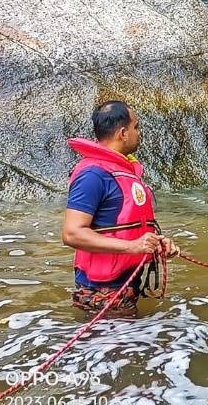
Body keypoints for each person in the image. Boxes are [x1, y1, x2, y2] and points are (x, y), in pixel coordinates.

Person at [62, 100, 179, 316]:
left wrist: (155, 244)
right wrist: (133, 247)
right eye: (136, 127)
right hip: (103, 291)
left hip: (127, 282)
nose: (139, 133)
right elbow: (72, 233)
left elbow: (126, 227)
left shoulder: (120, 170)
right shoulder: (93, 175)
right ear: (123, 133)